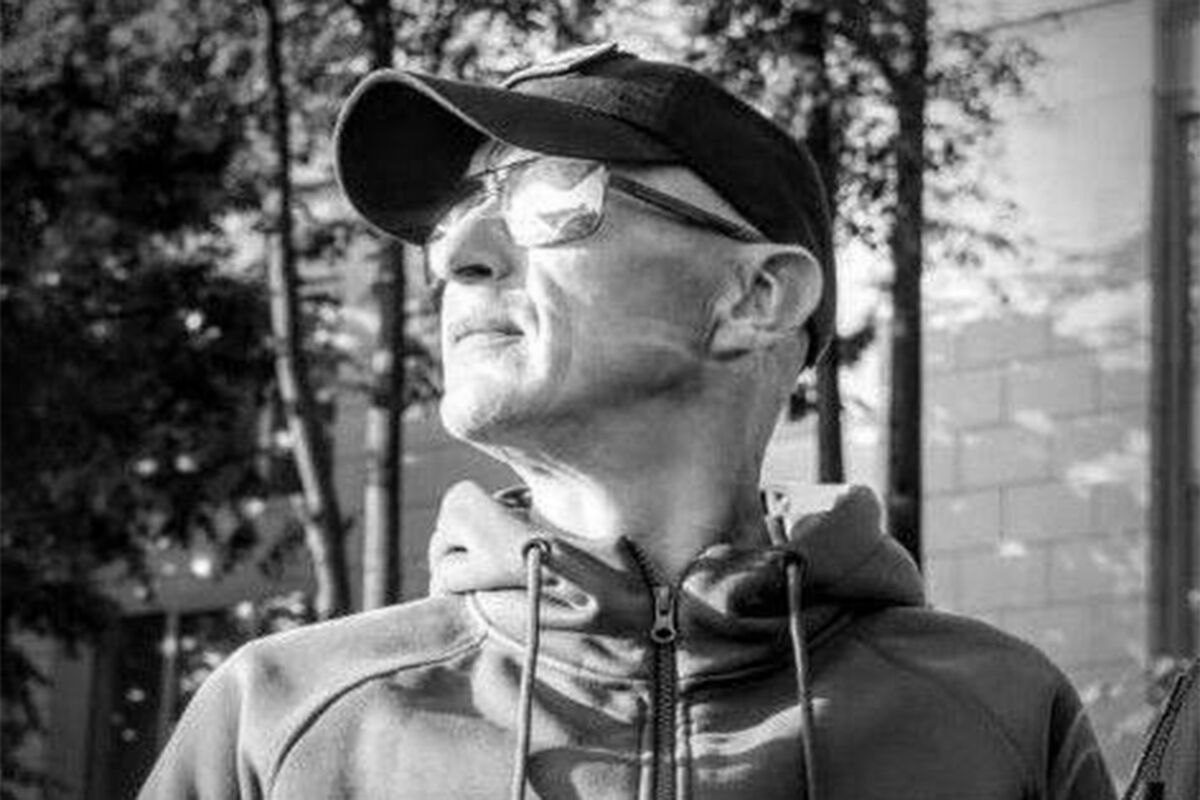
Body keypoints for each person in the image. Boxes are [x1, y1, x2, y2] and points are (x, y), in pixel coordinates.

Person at [140, 43, 1117, 800]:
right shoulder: (279, 720)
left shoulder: (998, 717)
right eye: (452, 220)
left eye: (549, 194)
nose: (459, 255)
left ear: (756, 296)